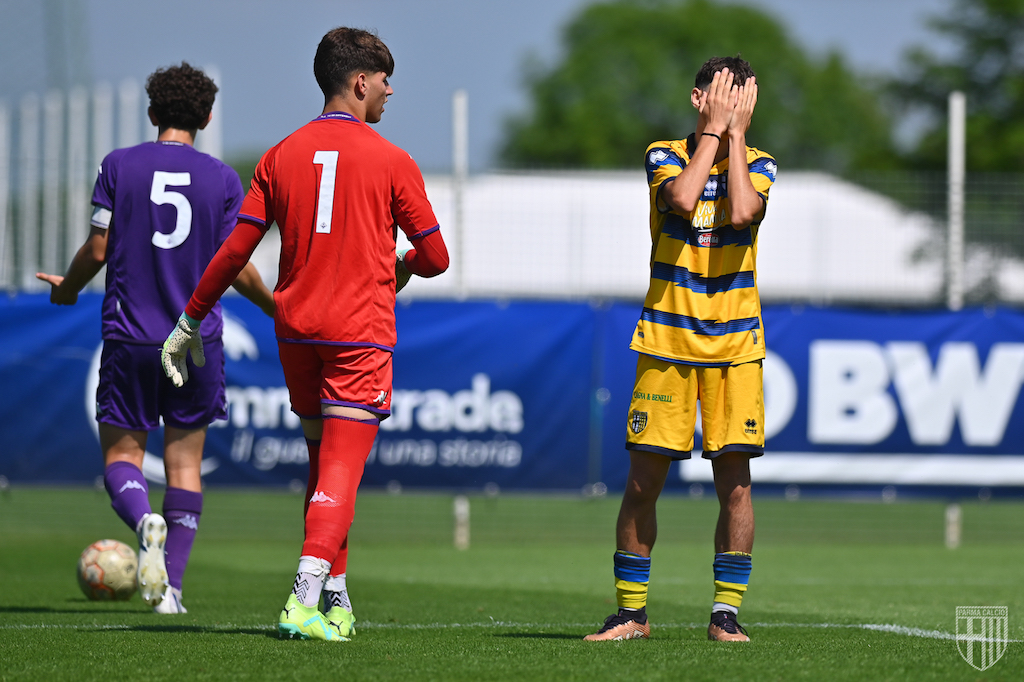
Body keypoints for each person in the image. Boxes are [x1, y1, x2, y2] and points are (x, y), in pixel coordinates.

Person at [160, 27, 449, 641]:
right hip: (359, 334)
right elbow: (437, 256)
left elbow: (234, 251)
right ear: (359, 82)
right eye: (385, 80)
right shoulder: (392, 159)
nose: (391, 91)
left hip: (296, 334)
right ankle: (301, 598)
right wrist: (400, 268)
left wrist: (188, 319)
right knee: (342, 471)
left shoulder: (279, 154)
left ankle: (335, 600)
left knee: (322, 468)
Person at [37, 63, 275, 614]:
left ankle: (145, 522)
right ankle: (170, 593)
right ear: (208, 117)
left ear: (152, 114)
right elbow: (237, 266)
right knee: (185, 467)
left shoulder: (119, 166)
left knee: (122, 456)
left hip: (131, 336)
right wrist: (275, 307)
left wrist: (67, 289)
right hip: (196, 340)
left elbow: (97, 251)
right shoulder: (221, 179)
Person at [584, 56, 777, 643]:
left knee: (735, 483)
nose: (733, 105)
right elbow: (684, 201)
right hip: (666, 342)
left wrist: (735, 137)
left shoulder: (761, 164)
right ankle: (631, 614)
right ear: (699, 99)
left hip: (736, 345)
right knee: (644, 482)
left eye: (742, 98)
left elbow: (744, 211)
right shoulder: (663, 154)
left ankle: (725, 616)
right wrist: (715, 133)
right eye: (723, 96)